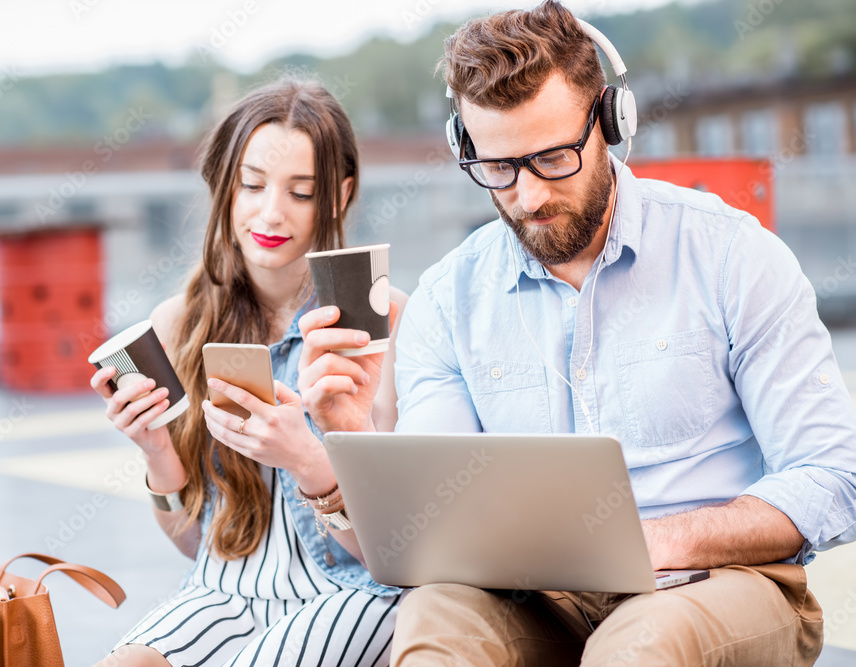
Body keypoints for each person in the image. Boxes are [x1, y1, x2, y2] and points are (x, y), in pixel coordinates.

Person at [297, 3, 856, 665]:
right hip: (537, 598)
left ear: (611, 122)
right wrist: (350, 438)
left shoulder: (732, 255)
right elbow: (434, 528)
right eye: (499, 168)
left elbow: (833, 477)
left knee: (639, 644)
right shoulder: (449, 297)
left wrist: (661, 539)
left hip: (721, 583)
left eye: (554, 157)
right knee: (433, 617)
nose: (530, 196)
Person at [91, 77, 408, 667]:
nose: (270, 212)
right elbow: (198, 549)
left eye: (302, 192)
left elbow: (400, 554)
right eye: (252, 184)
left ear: (339, 195)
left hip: (355, 592)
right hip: (226, 594)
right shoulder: (179, 322)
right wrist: (158, 453)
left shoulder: (386, 319)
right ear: (223, 185)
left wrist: (309, 463)